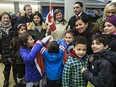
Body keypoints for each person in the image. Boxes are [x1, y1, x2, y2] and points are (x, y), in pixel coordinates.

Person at [0, 12, 16, 87]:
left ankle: (16, 79)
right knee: (7, 67)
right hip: (4, 51)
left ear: (10, 19)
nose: (6, 19)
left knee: (15, 66)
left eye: (7, 18)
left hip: (13, 51)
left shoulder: (13, 28)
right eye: (4, 18)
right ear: (1, 19)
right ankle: (6, 80)